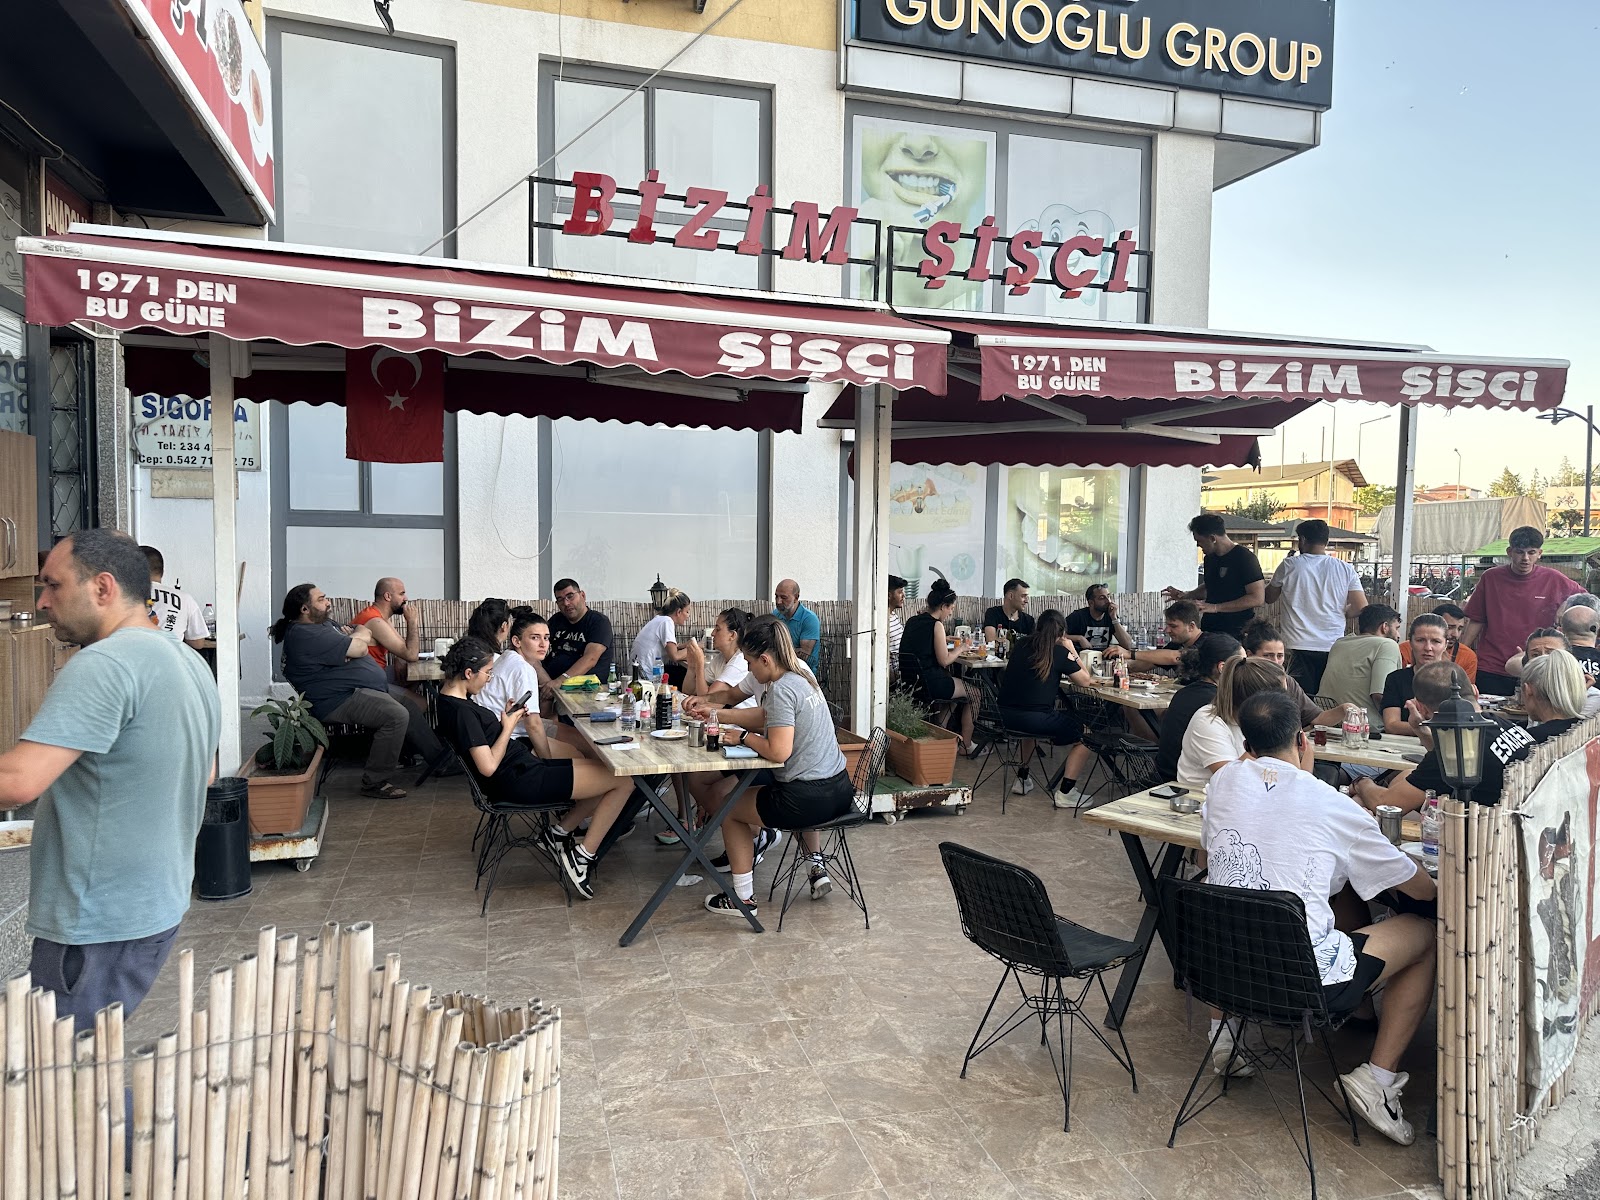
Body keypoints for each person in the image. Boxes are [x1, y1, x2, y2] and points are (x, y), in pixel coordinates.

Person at [0, 529, 220, 1030]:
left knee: (60, 1069)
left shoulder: (103, 663)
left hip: (97, 918)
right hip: (154, 906)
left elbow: (18, 781)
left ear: (102, 588)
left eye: (53, 584)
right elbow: (205, 772)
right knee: (86, 1056)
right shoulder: (188, 660)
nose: (42, 601)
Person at [1205, 689, 1436, 1145]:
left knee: (1236, 898)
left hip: (1216, 966)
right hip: (1300, 982)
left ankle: (1224, 1034)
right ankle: (1378, 1080)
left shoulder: (1223, 780)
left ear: (1246, 744)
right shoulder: (1332, 804)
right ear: (1302, 738)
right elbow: (1416, 888)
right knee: (1423, 933)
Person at [435, 637, 634, 900]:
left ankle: (557, 834)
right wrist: (508, 728)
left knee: (605, 769)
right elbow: (488, 766)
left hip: (521, 769)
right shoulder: (461, 712)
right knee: (623, 781)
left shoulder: (451, 701)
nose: (490, 680)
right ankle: (581, 858)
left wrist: (505, 719)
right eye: (488, 673)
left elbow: (483, 740)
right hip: (519, 780)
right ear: (469, 673)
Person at [683, 620, 854, 916]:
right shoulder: (801, 675)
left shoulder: (781, 689)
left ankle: (743, 899)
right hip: (840, 789)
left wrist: (743, 737)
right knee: (752, 793)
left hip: (808, 798)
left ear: (765, 659)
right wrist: (715, 710)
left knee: (729, 809)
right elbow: (768, 717)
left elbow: (778, 751)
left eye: (750, 663)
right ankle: (810, 863)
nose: (749, 670)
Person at [273, 583, 444, 799]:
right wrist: (356, 638)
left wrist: (356, 636)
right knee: (396, 715)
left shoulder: (323, 624)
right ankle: (374, 781)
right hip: (337, 700)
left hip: (358, 689)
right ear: (304, 609)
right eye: (321, 599)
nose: (328, 602)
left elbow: (362, 634)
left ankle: (439, 761)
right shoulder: (305, 634)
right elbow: (362, 646)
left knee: (409, 704)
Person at [1354, 659, 1579, 815]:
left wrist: (1361, 783)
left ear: (1421, 707)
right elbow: (1442, 766)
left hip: (1486, 840)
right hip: (1522, 822)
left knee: (1361, 805)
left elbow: (1388, 806)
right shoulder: (1499, 723)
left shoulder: (1457, 745)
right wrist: (1422, 732)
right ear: (1475, 692)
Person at [1462, 526, 1584, 695]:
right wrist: (1461, 651)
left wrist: (1565, 605)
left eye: (1531, 552)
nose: (1525, 558)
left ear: (1539, 553)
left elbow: (1587, 600)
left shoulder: (1554, 579)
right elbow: (1476, 618)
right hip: (1492, 666)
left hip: (1538, 667)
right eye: (1519, 552)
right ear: (1509, 552)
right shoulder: (1491, 578)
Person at [995, 609, 1096, 808]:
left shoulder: (1021, 644)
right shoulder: (1060, 652)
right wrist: (1071, 651)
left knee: (1029, 730)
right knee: (1087, 737)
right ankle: (1066, 793)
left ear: (1037, 627)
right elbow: (1085, 680)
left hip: (1004, 716)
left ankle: (1022, 778)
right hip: (1035, 719)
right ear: (1062, 633)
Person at [1264, 519, 1366, 695]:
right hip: (1332, 645)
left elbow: (1269, 597)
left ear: (1302, 539)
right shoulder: (1345, 568)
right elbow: (1361, 606)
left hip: (1296, 644)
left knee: (1297, 698)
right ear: (1326, 541)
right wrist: (1342, 613)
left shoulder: (1289, 565)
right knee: (1326, 699)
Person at [477, 613, 593, 757]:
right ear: (516, 641)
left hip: (499, 729)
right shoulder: (522, 668)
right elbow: (533, 725)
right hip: (509, 738)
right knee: (580, 754)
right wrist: (547, 763)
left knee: (582, 739)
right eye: (535, 638)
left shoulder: (506, 656)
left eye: (546, 638)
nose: (543, 644)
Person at [1175, 657, 1289, 791]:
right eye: (1282, 697)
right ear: (1260, 703)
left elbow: (1296, 771)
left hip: (1253, 794)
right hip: (1202, 798)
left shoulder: (1271, 721)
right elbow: (1230, 779)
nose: (1288, 702)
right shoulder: (1208, 721)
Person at [898, 580, 977, 754]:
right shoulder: (936, 625)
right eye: (951, 608)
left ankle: (939, 735)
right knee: (975, 693)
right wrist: (961, 648)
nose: (951, 613)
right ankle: (967, 745)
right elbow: (945, 660)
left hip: (911, 682)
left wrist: (944, 639)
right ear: (943, 606)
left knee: (953, 697)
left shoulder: (912, 620)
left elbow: (922, 644)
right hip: (931, 683)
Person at [1156, 634, 1242, 785]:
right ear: (1222, 668)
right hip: (1182, 783)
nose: (1247, 670)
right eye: (1242, 664)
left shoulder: (1184, 692)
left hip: (1163, 773)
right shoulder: (1216, 703)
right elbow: (1231, 777)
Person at [1164, 513, 1265, 640]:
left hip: (1237, 630)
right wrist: (1186, 595)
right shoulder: (1209, 559)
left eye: (1199, 540)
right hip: (1210, 627)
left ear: (1212, 538)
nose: (1198, 545)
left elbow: (1257, 598)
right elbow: (1210, 586)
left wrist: (1216, 607)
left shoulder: (1245, 558)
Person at [1241, 620, 1341, 730]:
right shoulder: (1243, 682)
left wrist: (1344, 710)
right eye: (1268, 655)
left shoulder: (1289, 682)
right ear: (1250, 655)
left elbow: (1318, 718)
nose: (1275, 662)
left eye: (1280, 656)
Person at [1317, 604, 1403, 729]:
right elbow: (1380, 694)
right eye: (1397, 628)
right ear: (1384, 627)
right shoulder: (1387, 645)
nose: (1398, 635)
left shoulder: (1340, 643)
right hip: (1365, 728)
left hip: (1325, 721)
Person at [1380, 614, 1451, 737]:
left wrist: (1422, 726)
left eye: (1436, 641)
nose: (1428, 648)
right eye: (1420, 640)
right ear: (1410, 643)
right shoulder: (1396, 679)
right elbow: (1391, 725)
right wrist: (1437, 729)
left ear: (1445, 645)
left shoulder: (1456, 680)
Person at [140, 545, 210, 650]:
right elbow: (198, 643)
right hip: (171, 657)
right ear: (162, 571)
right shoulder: (185, 599)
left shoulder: (125, 596)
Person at [546, 579, 614, 684]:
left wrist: (560, 681)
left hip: (584, 687)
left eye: (570, 596)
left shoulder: (598, 622)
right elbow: (537, 647)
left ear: (582, 595)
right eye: (560, 599)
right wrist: (545, 680)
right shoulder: (556, 620)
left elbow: (590, 659)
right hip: (551, 682)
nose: (566, 603)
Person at [351, 577, 422, 673]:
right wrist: (412, 621)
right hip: (370, 677)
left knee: (411, 674)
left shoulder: (380, 617)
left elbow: (403, 648)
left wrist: (399, 658)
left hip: (376, 672)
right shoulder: (375, 621)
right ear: (388, 596)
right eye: (401, 594)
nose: (406, 598)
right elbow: (411, 655)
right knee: (416, 676)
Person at [1399, 602, 1477, 684]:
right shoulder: (1404, 650)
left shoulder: (1468, 656)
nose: (1455, 634)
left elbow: (1466, 689)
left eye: (1460, 629)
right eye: (1449, 627)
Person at [631, 587, 691, 685]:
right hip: (646, 675)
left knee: (679, 672)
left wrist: (684, 646)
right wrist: (696, 647)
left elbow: (668, 647)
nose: (688, 616)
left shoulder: (660, 619)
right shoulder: (667, 622)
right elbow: (675, 656)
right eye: (687, 611)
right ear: (679, 612)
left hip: (638, 670)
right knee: (686, 675)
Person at [1127, 601, 1203, 672]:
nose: (1167, 630)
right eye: (1167, 625)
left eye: (1173, 626)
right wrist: (1122, 663)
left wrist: (1130, 654)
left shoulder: (1208, 644)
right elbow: (1140, 665)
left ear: (1191, 626)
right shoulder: (1176, 644)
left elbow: (1174, 657)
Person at [1064, 583, 1133, 656]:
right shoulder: (1078, 616)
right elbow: (1057, 636)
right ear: (1091, 603)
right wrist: (1079, 638)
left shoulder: (1110, 617)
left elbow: (1128, 645)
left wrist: (1114, 618)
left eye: (1108, 596)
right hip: (1080, 658)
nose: (1108, 601)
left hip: (1103, 658)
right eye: (1102, 598)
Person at [773, 578, 822, 671]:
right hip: (780, 668)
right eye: (776, 596)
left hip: (802, 672)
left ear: (796, 597)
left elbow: (804, 656)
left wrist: (777, 651)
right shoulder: (776, 615)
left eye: (784, 597)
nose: (778, 601)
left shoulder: (809, 619)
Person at [982, 578, 1035, 643]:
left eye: (1027, 597)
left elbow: (1033, 645)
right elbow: (991, 641)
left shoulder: (1029, 620)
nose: (1026, 601)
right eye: (1023, 596)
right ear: (1011, 596)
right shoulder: (993, 613)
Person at [886, 575, 907, 670]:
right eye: (900, 592)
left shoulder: (893, 615)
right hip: (894, 673)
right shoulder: (882, 622)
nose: (903, 596)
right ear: (889, 595)